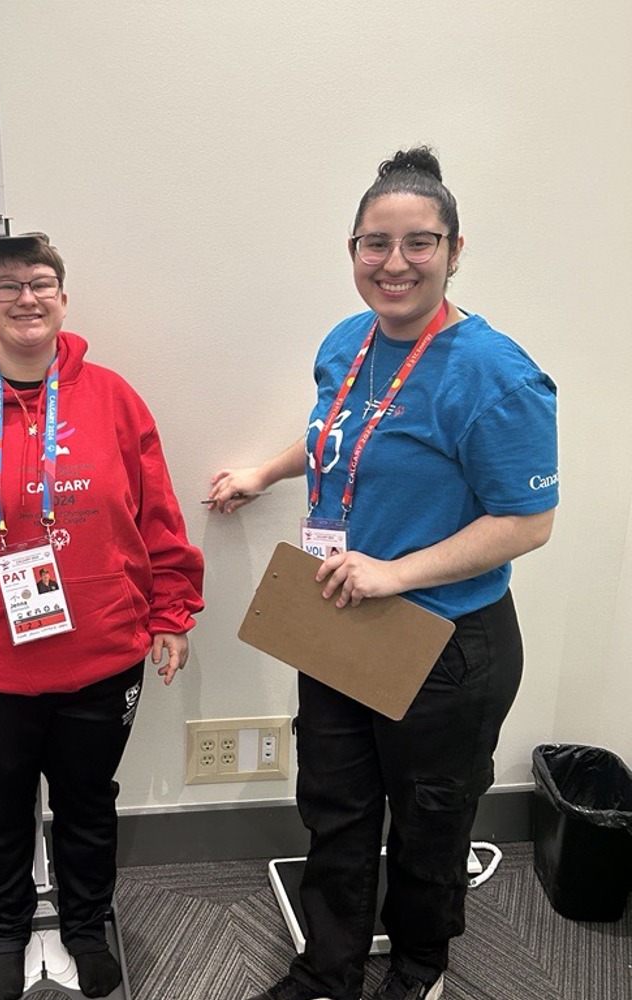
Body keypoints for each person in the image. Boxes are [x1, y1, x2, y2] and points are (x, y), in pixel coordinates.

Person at [208, 148, 557, 1000]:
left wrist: (395, 574)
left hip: (443, 641)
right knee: (335, 806)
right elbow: (339, 434)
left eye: (419, 243)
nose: (394, 263)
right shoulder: (346, 341)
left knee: (431, 821)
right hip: (336, 615)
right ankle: (327, 971)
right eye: (375, 243)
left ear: (455, 248)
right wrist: (268, 469)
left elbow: (528, 522)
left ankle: (417, 968)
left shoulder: (498, 376)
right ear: (353, 248)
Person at [0, 232, 204, 1000]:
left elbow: (156, 513)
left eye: (43, 282)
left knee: (89, 804)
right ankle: (7, 926)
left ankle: (87, 923)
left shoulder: (114, 398)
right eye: (9, 286)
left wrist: (171, 611)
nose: (28, 297)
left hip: (101, 653)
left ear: (63, 297)